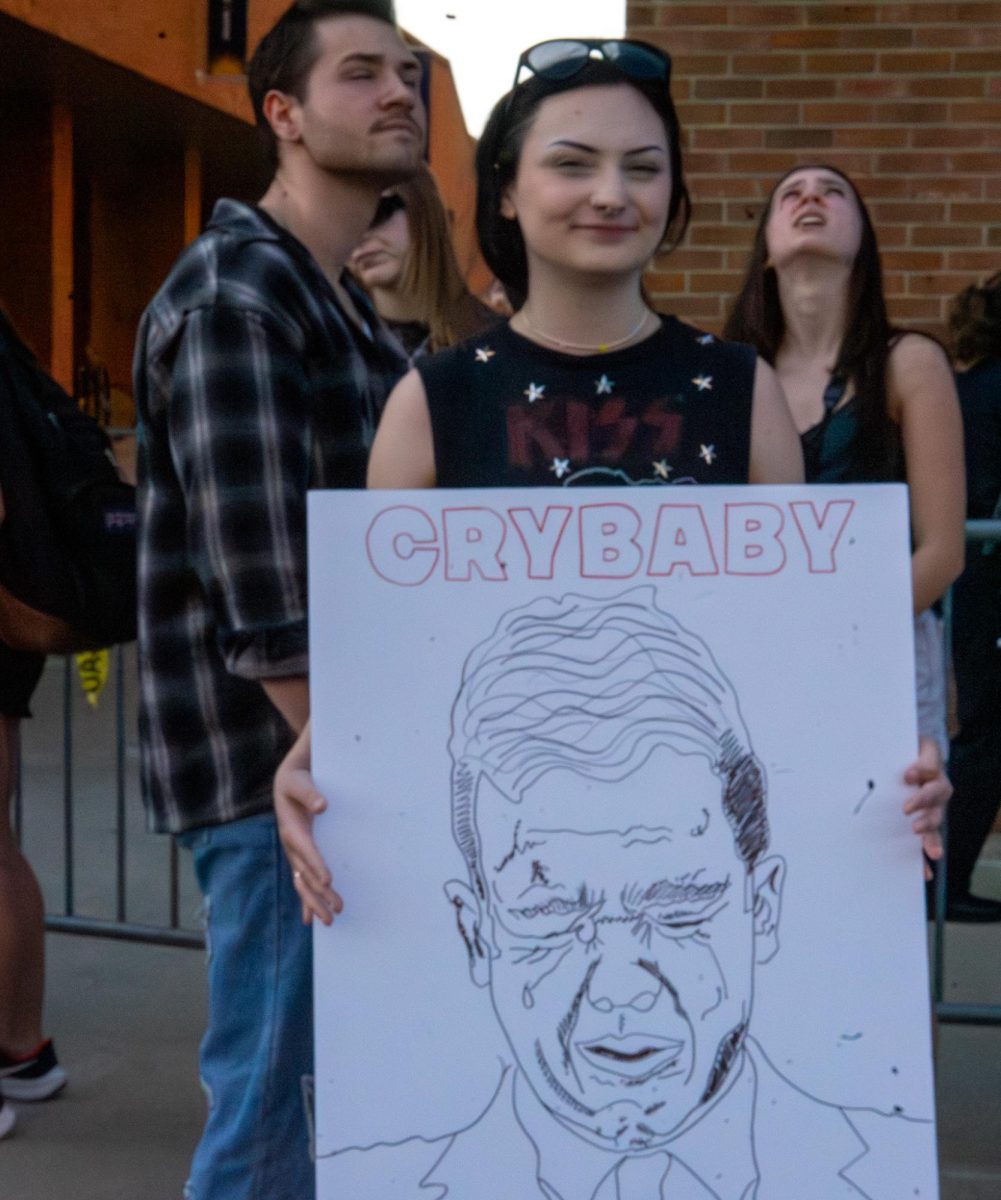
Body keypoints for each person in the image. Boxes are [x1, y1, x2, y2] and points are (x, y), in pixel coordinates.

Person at [276, 42, 948, 919]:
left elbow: (793, 646)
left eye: (642, 167)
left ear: (671, 197)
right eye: (571, 164)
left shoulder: (741, 392)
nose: (610, 193)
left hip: (686, 845)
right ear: (507, 193)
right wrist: (314, 755)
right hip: (513, 860)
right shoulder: (429, 403)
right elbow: (392, 644)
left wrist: (887, 767)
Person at [324, 589, 935, 1199]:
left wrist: (899, 784)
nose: (622, 988)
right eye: (552, 915)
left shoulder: (886, 1168)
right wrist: (318, 761)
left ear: (763, 907)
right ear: (476, 933)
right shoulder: (387, 1181)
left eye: (678, 909)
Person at [132, 1, 424, 1194]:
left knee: (324, 1108)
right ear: (283, 115)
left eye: (407, 72)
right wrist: (347, 762)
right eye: (361, 75)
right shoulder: (236, 294)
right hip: (281, 781)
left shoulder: (333, 295)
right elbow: (263, 586)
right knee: (269, 1113)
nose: (399, 92)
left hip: (328, 767)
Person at [722, 163, 964, 855]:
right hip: (758, 656)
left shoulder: (907, 363)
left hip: (879, 647)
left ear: (862, 238)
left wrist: (831, 632)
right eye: (789, 192)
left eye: (832, 192)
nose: (809, 199)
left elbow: (942, 551)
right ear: (765, 248)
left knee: (874, 852)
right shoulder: (732, 374)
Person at [940, 271, 1001, 921]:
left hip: (973, 579)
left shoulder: (963, 387)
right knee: (986, 731)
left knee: (982, 728)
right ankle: (946, 883)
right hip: (987, 578)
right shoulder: (987, 389)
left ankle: (946, 881)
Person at [348, 164, 498, 361]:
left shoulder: (497, 341)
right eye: (344, 222)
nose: (359, 235)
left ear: (425, 209)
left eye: (378, 211)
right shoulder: (331, 351)